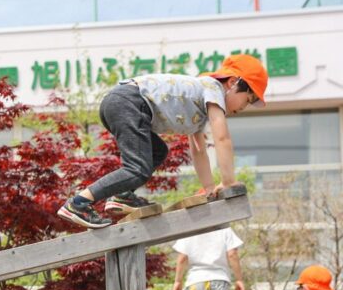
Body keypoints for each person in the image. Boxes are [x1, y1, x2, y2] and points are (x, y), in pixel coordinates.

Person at [58, 54, 267, 229]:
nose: (242, 108)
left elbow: (198, 150)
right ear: (232, 83)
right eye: (247, 100)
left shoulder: (200, 111)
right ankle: (79, 203)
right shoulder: (213, 88)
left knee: (158, 151)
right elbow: (222, 138)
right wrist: (228, 181)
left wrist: (209, 187)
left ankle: (122, 196)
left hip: (121, 103)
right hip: (129, 101)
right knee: (137, 168)